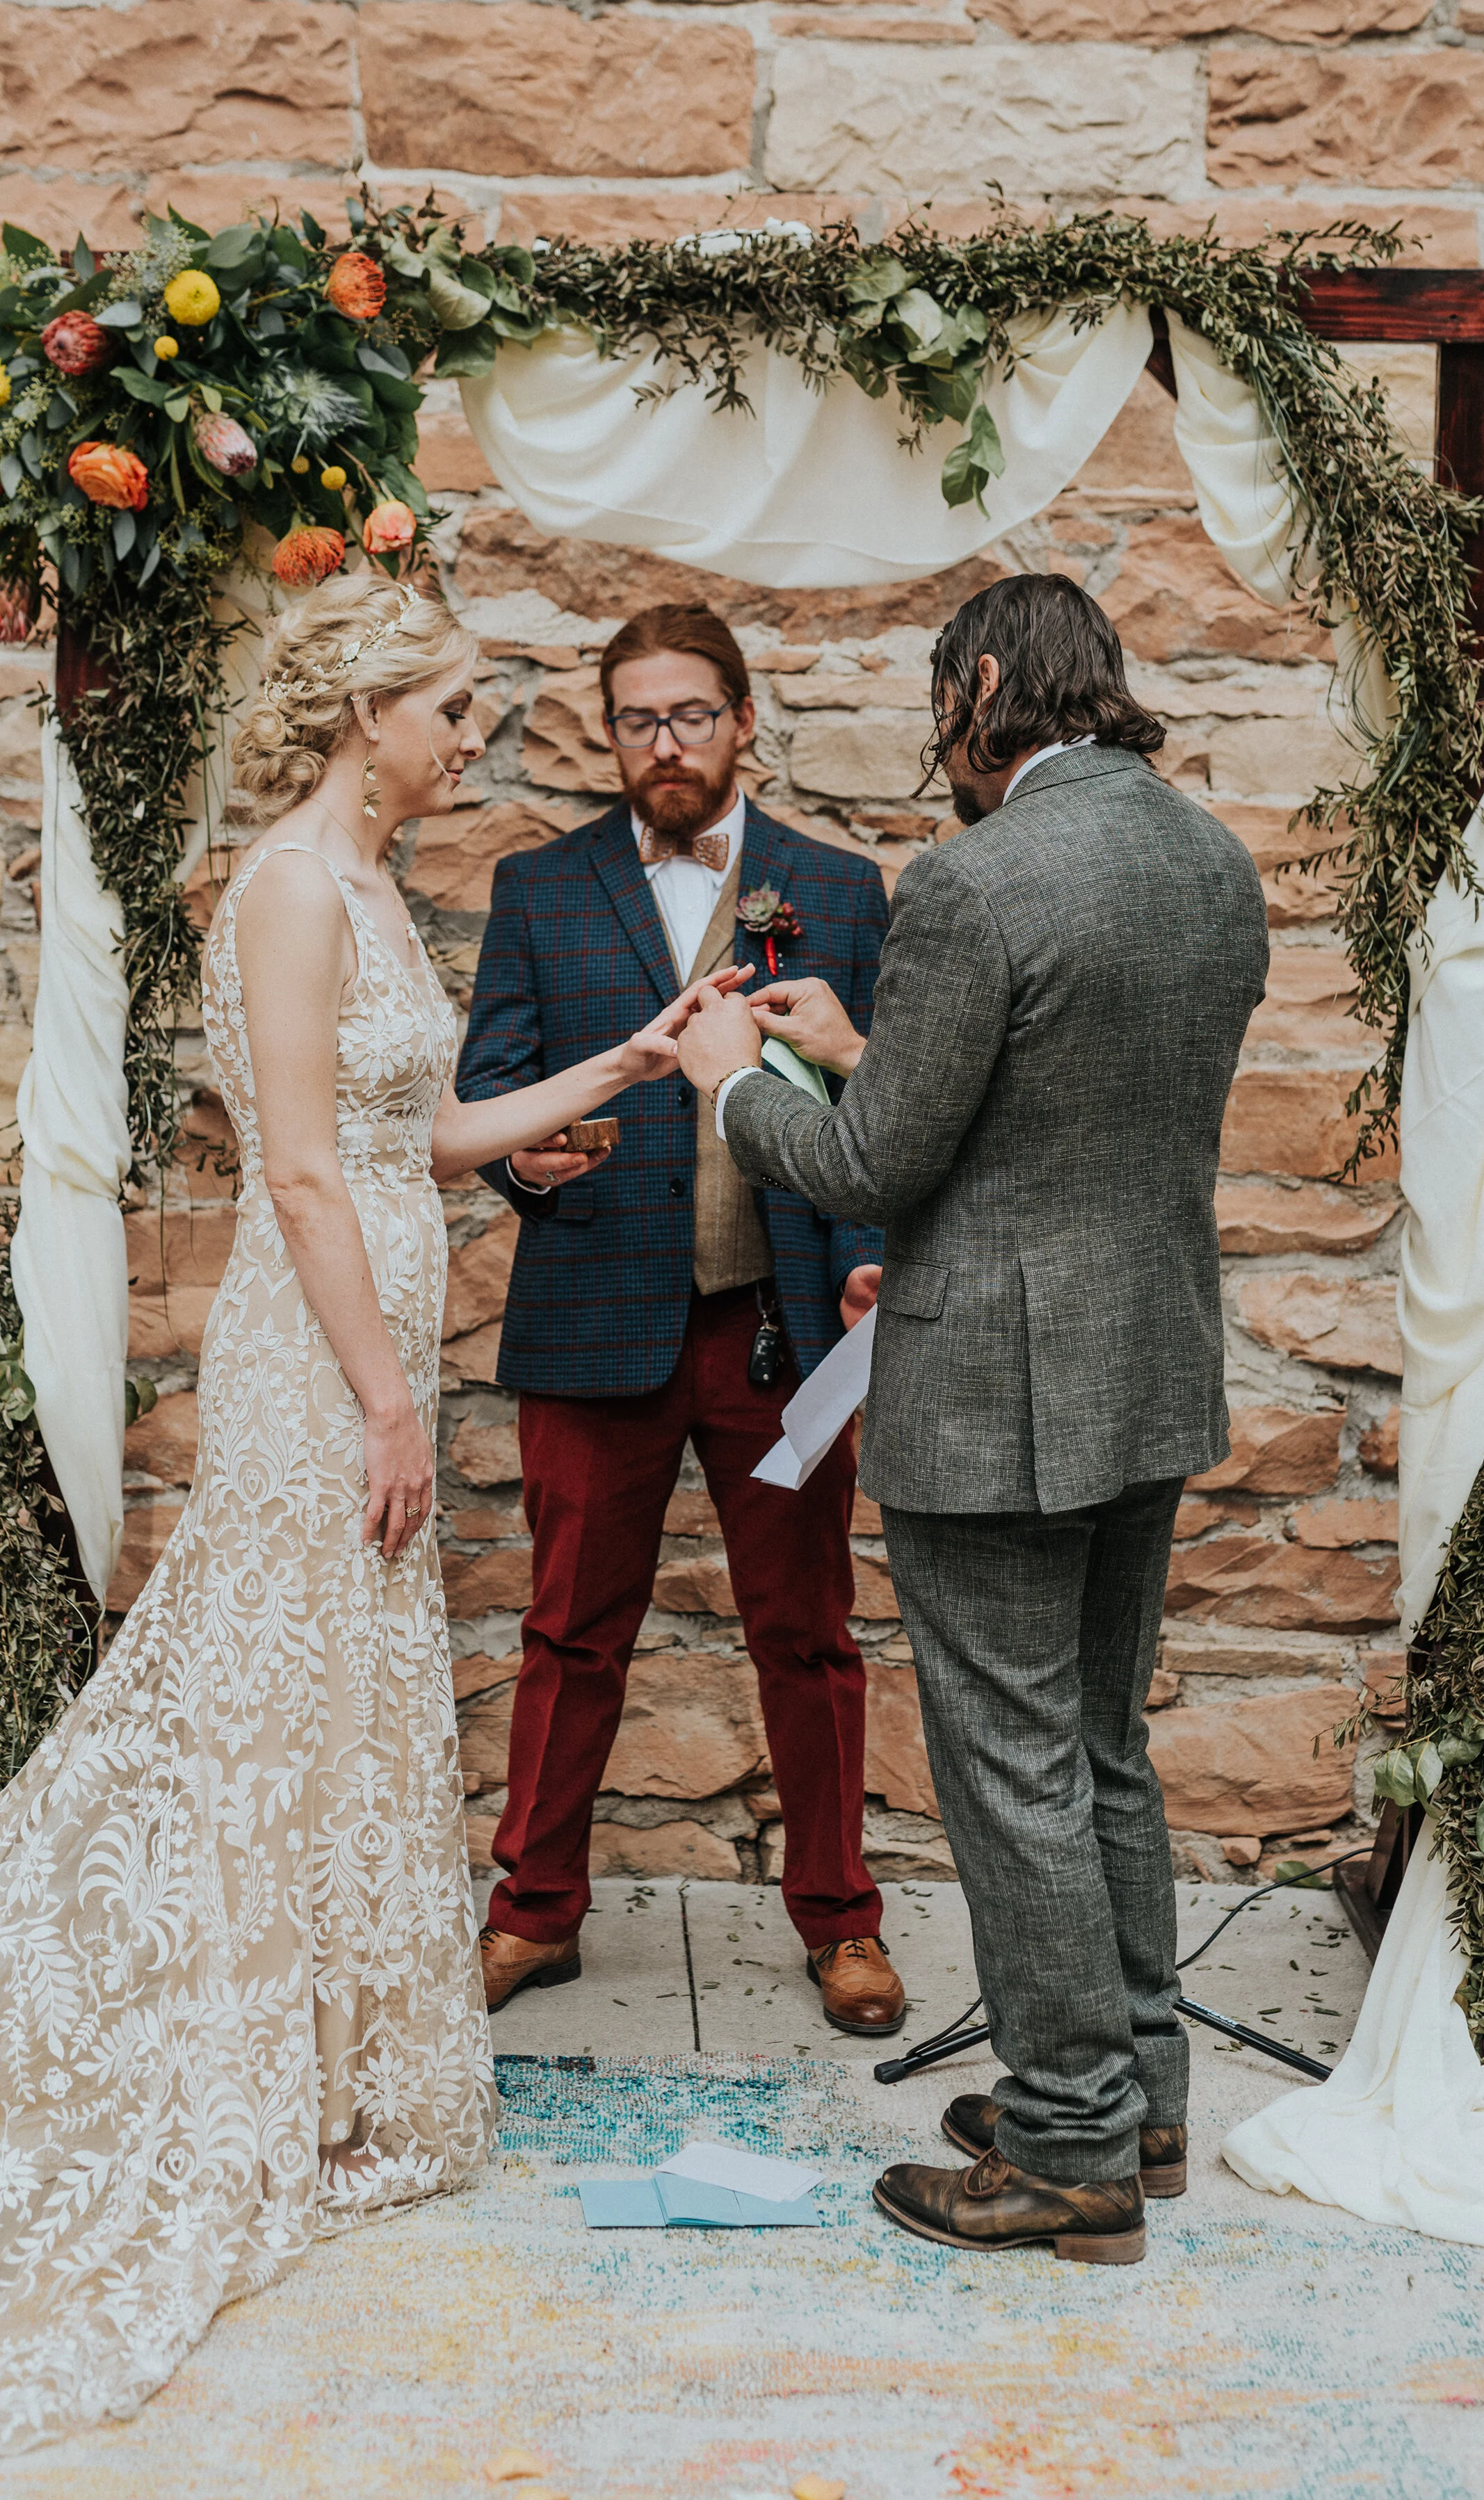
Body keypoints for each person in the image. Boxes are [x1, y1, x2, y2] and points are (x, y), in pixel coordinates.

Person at [0, 574, 727, 2483]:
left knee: (343, 1702)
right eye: (451, 710)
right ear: (369, 713)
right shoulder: (283, 885)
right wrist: (377, 1396)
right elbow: (297, 1168)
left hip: (379, 1333)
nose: (469, 742)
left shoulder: (373, 883)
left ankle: (333, 2054)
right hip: (317, 1355)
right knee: (269, 1705)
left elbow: (413, 1133)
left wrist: (623, 1062)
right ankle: (249, 2066)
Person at [677, 573, 1270, 2265]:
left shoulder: (975, 877)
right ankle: (1139, 2102)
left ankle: (1069, 2151)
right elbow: (1045, 1118)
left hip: (1000, 1396)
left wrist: (733, 1076)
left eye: (944, 698)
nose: (940, 739)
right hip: (1146, 1359)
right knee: (1100, 1746)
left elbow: (877, 1174)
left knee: (1012, 1767)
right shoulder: (1206, 861)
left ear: (989, 681)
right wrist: (865, 1044)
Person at [456, 602, 908, 2037]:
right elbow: (492, 1096)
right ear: (609, 735)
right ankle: (533, 1913)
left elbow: (874, 1105)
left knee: (811, 1635)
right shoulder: (538, 889)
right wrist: (527, 1165)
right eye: (639, 719)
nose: (666, 742)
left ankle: (842, 1922)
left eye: (691, 715)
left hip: (782, 1329)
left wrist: (865, 1264)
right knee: (570, 1633)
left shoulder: (836, 889)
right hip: (596, 1313)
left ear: (743, 721)